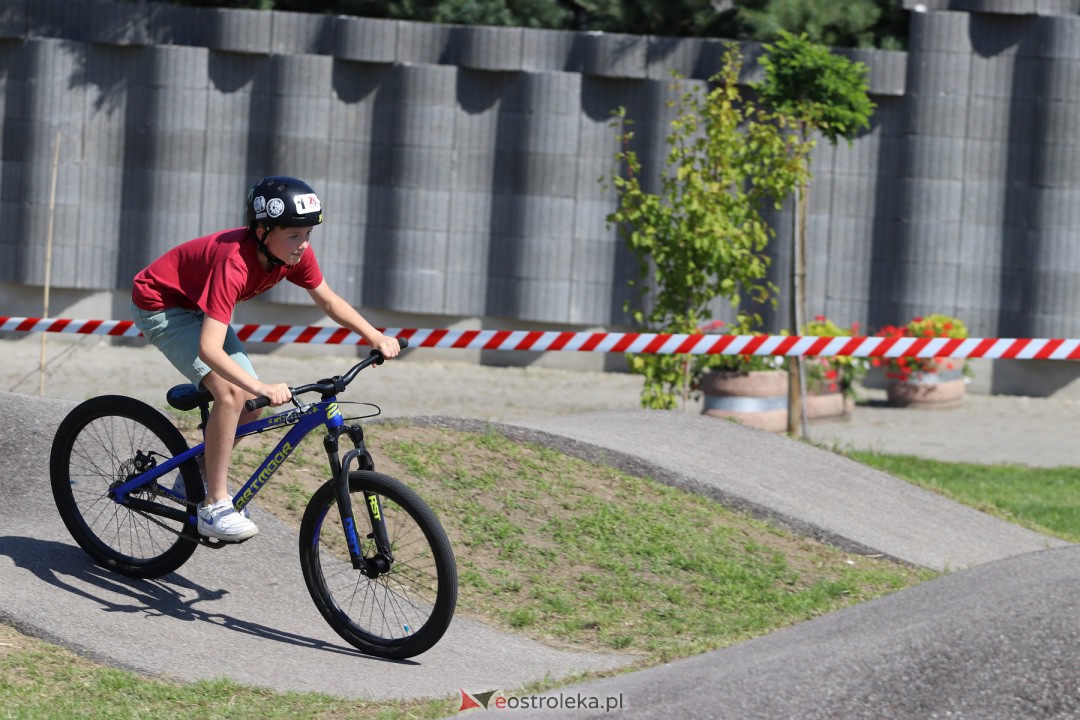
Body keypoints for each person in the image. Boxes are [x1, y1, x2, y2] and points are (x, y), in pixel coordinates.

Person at [130, 176, 400, 542]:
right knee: (231, 393)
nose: (303, 244)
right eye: (294, 235)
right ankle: (214, 506)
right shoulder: (234, 263)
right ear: (262, 232)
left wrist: (375, 336)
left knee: (250, 407)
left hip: (199, 306)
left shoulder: (293, 254)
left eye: (308, 234)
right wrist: (258, 386)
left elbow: (328, 301)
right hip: (162, 305)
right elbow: (209, 349)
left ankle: (193, 479)